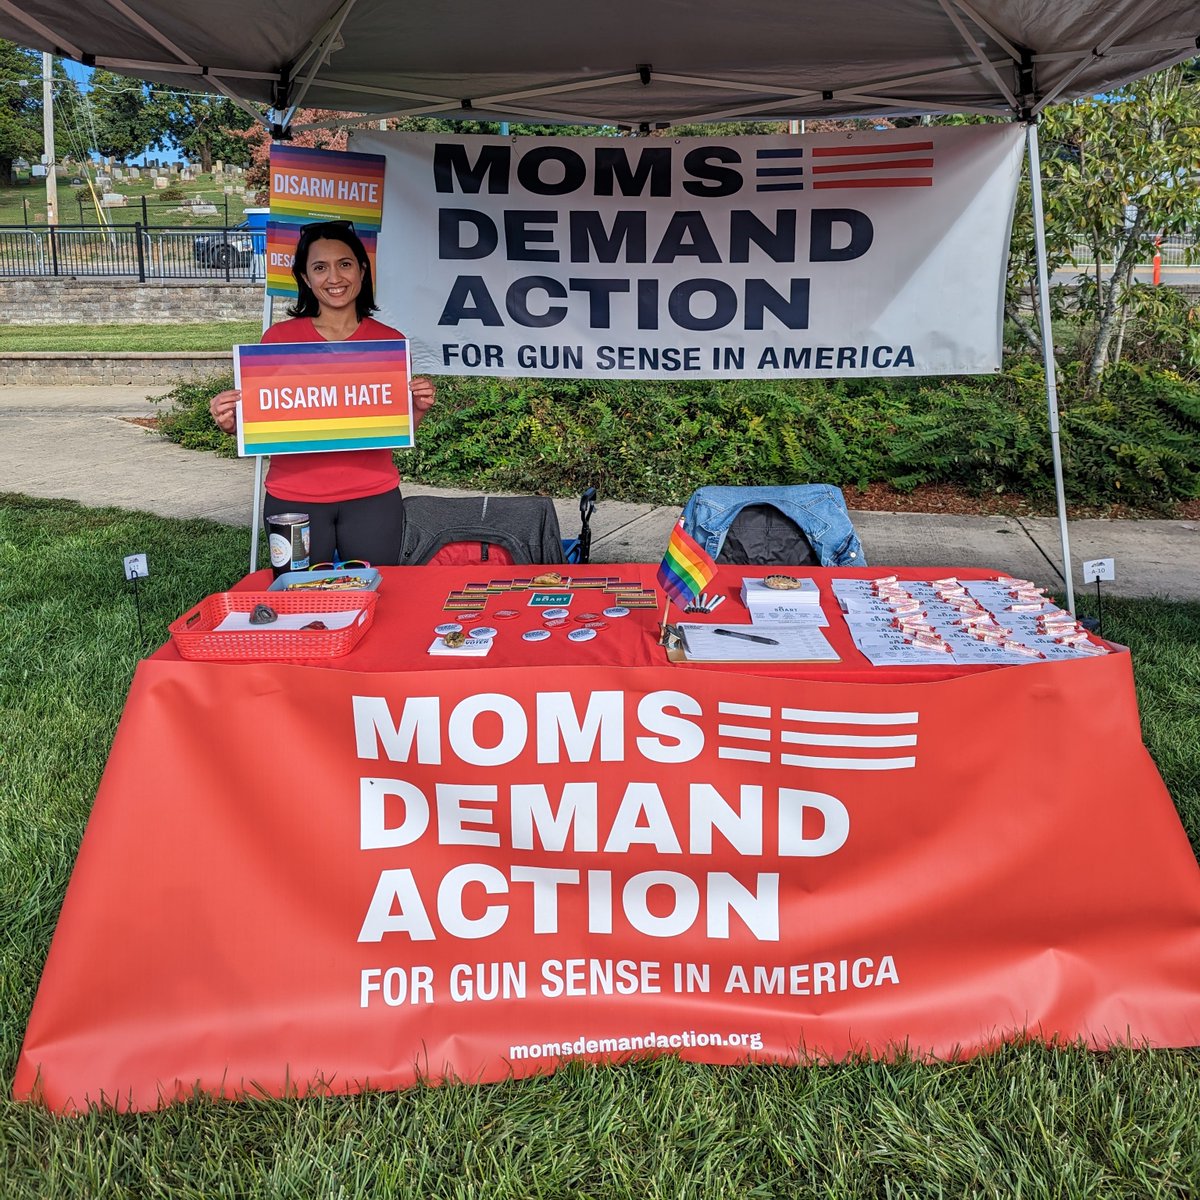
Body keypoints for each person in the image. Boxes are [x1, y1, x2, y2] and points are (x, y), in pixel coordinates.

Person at [209, 220, 437, 565]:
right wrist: (233, 423)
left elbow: (389, 430)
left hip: (372, 497)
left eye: (344, 264)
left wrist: (416, 411)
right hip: (293, 500)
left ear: (362, 270)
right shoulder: (278, 340)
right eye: (320, 267)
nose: (334, 278)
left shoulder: (388, 342)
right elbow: (265, 421)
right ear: (304, 277)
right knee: (297, 598)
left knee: (376, 595)